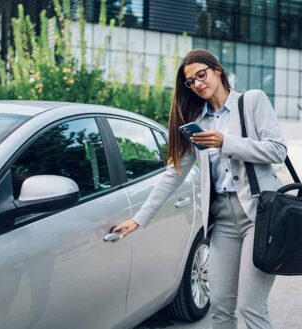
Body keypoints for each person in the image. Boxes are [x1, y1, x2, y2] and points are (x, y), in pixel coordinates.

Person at [113, 49, 287, 329]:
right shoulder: (198, 121)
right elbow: (174, 173)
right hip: (221, 221)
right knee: (219, 306)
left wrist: (225, 142)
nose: (197, 83)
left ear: (217, 70)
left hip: (259, 215)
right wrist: (139, 219)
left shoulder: (251, 101)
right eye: (191, 81)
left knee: (250, 307)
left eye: (201, 75)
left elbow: (278, 150)